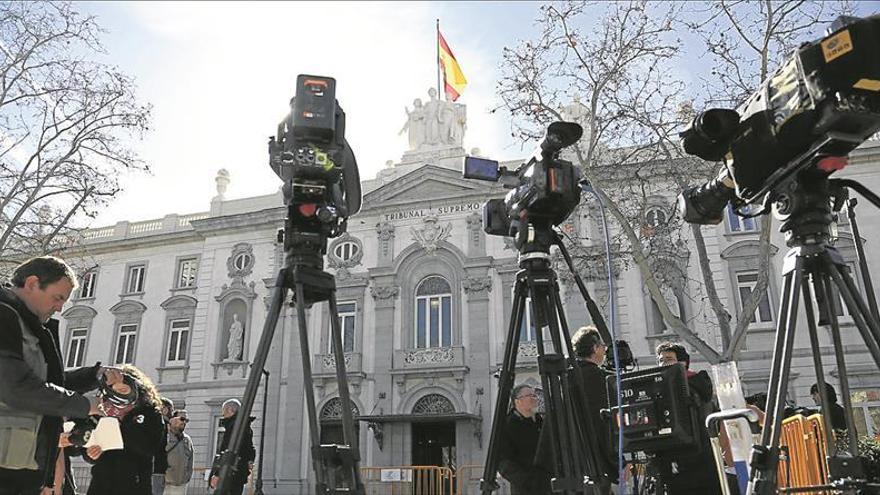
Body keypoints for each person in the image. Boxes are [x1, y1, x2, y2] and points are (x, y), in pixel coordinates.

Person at [0, 256, 114, 495]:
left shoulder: (29, 324)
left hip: (20, 465)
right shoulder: (4, 316)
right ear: (32, 283)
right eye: (58, 297)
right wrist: (84, 404)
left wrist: (94, 374)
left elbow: (48, 385)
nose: (61, 307)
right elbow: (16, 387)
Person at [652, 342, 723, 495]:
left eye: (669, 359)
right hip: (691, 462)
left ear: (683, 363)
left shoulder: (691, 390)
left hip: (694, 461)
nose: (663, 364)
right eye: (660, 360)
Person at [84, 365, 165, 495]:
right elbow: (87, 446)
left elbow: (151, 447)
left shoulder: (150, 412)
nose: (119, 394)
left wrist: (121, 424)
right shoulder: (101, 410)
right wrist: (91, 454)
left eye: (123, 389)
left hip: (135, 485)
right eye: (115, 390)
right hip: (101, 484)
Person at [571, 326, 616, 494]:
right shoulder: (603, 379)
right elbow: (606, 425)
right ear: (595, 348)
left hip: (570, 463)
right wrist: (616, 463)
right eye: (602, 346)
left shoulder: (564, 377)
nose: (605, 350)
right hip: (597, 462)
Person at [497, 384, 552, 495]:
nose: (535, 399)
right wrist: (529, 481)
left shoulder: (540, 422)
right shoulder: (508, 425)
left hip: (548, 485)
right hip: (526, 489)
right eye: (529, 396)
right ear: (518, 401)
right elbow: (503, 462)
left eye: (535, 396)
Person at [209, 399, 255, 495]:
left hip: (228, 473)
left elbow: (227, 451)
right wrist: (250, 461)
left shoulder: (233, 427)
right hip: (240, 473)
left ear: (230, 410)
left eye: (224, 411)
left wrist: (217, 474)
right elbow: (250, 449)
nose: (223, 415)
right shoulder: (246, 427)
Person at [164, 410, 194, 495]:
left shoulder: (187, 440)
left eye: (186, 420)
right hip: (164, 484)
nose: (184, 422)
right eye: (181, 419)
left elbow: (190, 461)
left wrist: (187, 477)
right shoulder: (163, 435)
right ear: (172, 420)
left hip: (180, 485)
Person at [152, 397, 174, 495]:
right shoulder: (162, 424)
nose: (172, 413)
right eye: (171, 409)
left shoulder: (162, 424)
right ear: (164, 409)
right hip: (157, 467)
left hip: (157, 467)